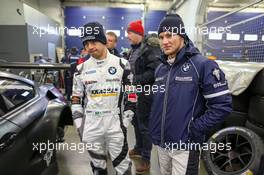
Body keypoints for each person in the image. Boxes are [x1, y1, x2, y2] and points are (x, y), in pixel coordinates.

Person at [149, 14, 232, 175]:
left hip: (185, 146)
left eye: (170, 35)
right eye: (161, 37)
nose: (165, 41)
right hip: (161, 144)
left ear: (181, 35)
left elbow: (222, 106)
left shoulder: (202, 65)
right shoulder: (161, 68)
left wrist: (194, 129)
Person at [71, 22, 135, 175]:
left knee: (123, 167)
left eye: (93, 42)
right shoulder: (81, 69)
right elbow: (75, 100)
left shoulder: (122, 64)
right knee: (98, 167)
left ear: (104, 40)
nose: (90, 47)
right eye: (86, 44)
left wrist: (125, 122)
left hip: (115, 124)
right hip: (92, 125)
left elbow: (131, 96)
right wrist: (80, 125)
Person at [126, 20, 161, 174]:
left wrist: (135, 79)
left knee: (144, 125)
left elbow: (154, 71)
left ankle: (146, 159)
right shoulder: (134, 49)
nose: (127, 36)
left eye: (130, 33)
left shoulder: (150, 48)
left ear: (138, 33)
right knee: (135, 121)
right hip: (134, 91)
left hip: (146, 91)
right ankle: (139, 147)